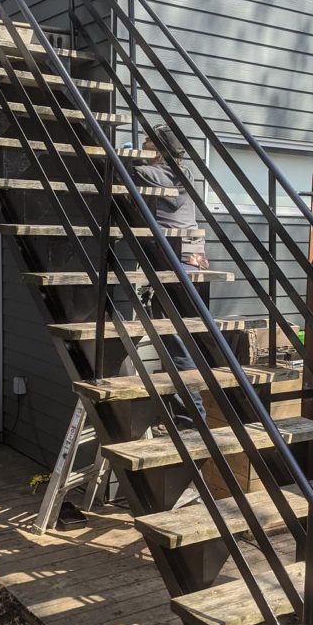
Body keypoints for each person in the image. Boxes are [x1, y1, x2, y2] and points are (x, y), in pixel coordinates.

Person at [132, 125, 208, 432]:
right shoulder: (174, 173)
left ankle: (192, 422)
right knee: (173, 343)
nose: (143, 144)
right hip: (181, 262)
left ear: (160, 149)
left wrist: (125, 157)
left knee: (178, 346)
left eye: (147, 141)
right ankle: (184, 418)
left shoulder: (170, 174)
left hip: (182, 263)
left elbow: (129, 171)